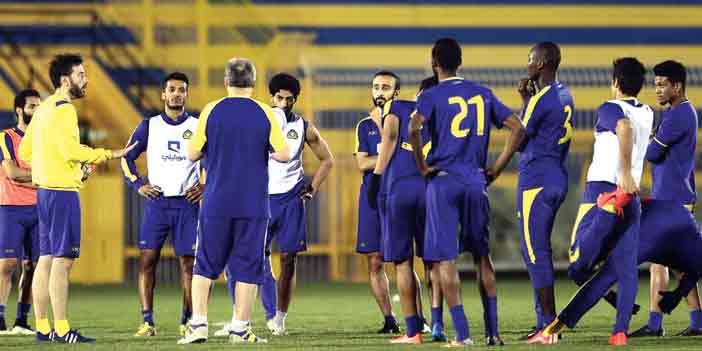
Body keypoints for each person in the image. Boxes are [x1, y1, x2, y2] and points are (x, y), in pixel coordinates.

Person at [409, 37, 525, 347]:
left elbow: (413, 128)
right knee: (482, 256)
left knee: (445, 259)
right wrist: (497, 168)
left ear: (435, 64)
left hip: (444, 181)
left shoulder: (431, 96)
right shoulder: (482, 93)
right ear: (460, 62)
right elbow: (518, 127)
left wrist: (422, 166)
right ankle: (493, 333)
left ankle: (461, 335)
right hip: (476, 181)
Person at [528, 57, 652, 346]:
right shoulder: (647, 112)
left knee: (576, 262)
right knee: (624, 267)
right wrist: (629, 177)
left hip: (603, 190)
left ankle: (607, 213)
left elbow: (623, 127)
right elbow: (632, 130)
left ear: (616, 83)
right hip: (631, 197)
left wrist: (621, 173)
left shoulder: (609, 108)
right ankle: (619, 331)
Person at [19, 53, 136, 343]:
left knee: (45, 259)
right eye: (81, 74)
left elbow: (25, 152)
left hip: (45, 192)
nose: (86, 80)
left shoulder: (45, 108)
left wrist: (54, 165)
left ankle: (43, 327)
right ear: (65, 80)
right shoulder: (64, 110)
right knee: (63, 261)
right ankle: (62, 329)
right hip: (61, 194)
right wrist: (110, 153)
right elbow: (72, 151)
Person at [177, 57, 290, 345]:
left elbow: (192, 154)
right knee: (249, 267)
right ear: (253, 83)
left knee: (204, 264)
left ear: (226, 82)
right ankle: (240, 328)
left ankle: (198, 325)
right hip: (252, 203)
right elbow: (284, 154)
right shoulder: (265, 112)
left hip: (216, 201)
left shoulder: (211, 110)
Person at [216, 72, 334, 336]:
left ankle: (278, 319)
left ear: (295, 100)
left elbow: (328, 160)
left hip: (291, 200)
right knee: (242, 257)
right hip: (258, 199)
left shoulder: (304, 127)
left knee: (289, 259)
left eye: (289, 99)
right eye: (279, 98)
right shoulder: (256, 122)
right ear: (271, 97)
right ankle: (239, 319)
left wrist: (312, 189)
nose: (283, 104)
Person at [121, 72, 203, 337]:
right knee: (147, 261)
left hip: (187, 206)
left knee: (189, 265)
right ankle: (148, 322)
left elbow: (216, 160)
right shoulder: (149, 126)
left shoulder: (199, 125)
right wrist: (138, 184)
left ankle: (187, 321)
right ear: (163, 95)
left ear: (186, 94)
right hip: (158, 205)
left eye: (182, 89)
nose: (177, 93)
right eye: (172, 89)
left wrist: (205, 186)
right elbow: (126, 157)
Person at [368, 76, 446, 344]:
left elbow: (388, 137)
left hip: (399, 190)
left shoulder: (400, 108)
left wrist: (376, 178)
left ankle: (413, 331)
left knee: (402, 262)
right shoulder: (447, 120)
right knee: (434, 262)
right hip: (432, 192)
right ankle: (437, 324)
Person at [629, 60, 702, 338]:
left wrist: (644, 140)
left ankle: (654, 325)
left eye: (662, 85)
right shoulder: (684, 112)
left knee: (658, 263)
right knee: (679, 265)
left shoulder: (676, 116)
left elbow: (652, 154)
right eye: (655, 84)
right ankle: (696, 323)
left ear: (677, 85)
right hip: (678, 197)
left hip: (670, 200)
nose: (657, 90)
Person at [515, 42, 574, 337]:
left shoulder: (540, 100)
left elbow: (520, 140)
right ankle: (544, 321)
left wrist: (524, 101)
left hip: (536, 181)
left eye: (530, 59)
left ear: (541, 63)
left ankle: (548, 326)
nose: (527, 64)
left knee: (535, 252)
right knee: (540, 251)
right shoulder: (565, 93)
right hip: (557, 177)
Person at [354, 71, 401, 334]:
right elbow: (362, 163)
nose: (379, 92)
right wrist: (388, 157)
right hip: (372, 197)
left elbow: (381, 157)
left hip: (398, 196)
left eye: (385, 87)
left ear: (395, 93)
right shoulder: (363, 125)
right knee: (374, 260)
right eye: (376, 87)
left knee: (403, 258)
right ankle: (389, 319)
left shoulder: (404, 121)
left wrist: (384, 129)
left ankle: (421, 319)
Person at [0, 89, 41, 335]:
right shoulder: (6, 137)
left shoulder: (43, 140)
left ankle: (22, 321)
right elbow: (13, 174)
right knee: (7, 264)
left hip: (39, 208)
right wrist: (42, 177)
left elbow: (20, 175)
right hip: (11, 208)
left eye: (39, 106)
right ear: (19, 110)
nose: (37, 111)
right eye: (32, 106)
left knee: (34, 266)